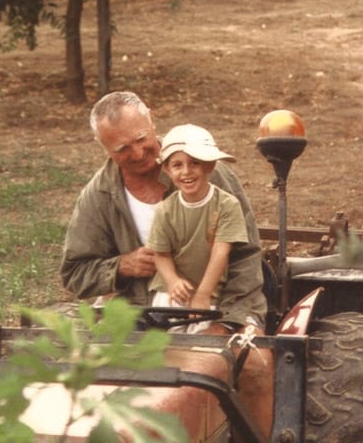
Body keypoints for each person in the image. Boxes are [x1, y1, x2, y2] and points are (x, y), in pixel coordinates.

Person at [60, 91, 266, 328]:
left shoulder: (205, 170)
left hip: (219, 302)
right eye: (122, 149)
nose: (137, 154)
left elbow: (246, 256)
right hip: (139, 310)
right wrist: (122, 266)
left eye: (140, 139)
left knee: (238, 361)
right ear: (103, 146)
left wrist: (229, 318)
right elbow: (74, 272)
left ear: (152, 119)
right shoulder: (99, 195)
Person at [148, 124, 250, 319]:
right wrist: (173, 281)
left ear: (209, 165)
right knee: (165, 341)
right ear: (167, 170)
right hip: (171, 292)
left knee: (201, 343)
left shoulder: (226, 204)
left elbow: (221, 252)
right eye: (177, 165)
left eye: (194, 163)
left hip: (208, 291)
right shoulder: (165, 209)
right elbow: (160, 254)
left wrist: (203, 295)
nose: (186, 171)